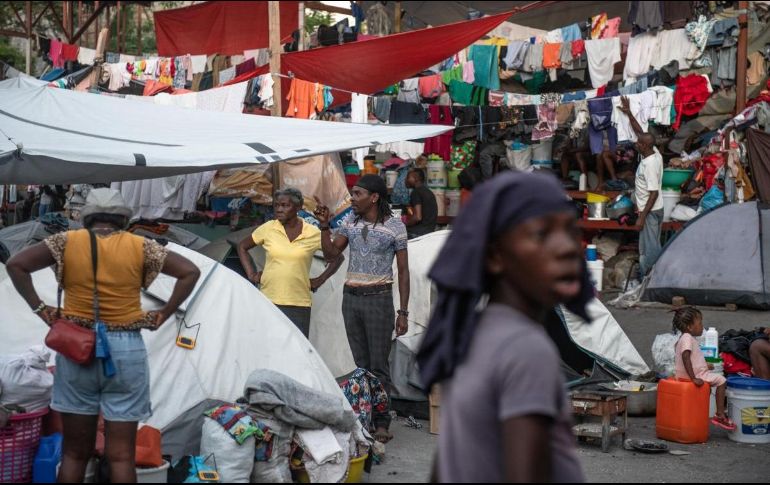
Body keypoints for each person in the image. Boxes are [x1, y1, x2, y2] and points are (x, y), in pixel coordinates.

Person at [5, 188, 200, 483]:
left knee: (74, 454)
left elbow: (16, 265)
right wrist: (164, 313)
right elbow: (190, 272)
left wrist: (41, 309)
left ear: (87, 216)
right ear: (123, 218)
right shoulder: (141, 246)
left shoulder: (64, 241)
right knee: (121, 456)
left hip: (77, 346)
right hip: (126, 348)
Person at [418, 172, 590, 483]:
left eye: (569, 229)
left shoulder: (472, 333)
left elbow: (447, 461)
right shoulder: (527, 348)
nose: (566, 247)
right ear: (495, 256)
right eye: (541, 233)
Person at [314, 175, 410, 444]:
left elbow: (403, 271)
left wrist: (403, 312)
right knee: (360, 365)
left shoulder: (395, 227)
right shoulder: (350, 222)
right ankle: (364, 416)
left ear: (374, 197)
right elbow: (331, 254)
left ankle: (382, 421)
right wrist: (324, 226)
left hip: (379, 299)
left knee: (378, 365)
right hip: (351, 298)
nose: (352, 199)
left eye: (357, 194)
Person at [237, 188, 343, 338]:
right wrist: (251, 274)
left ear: (298, 207)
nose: (279, 209)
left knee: (296, 348)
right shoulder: (269, 228)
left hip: (298, 303)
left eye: (285, 205)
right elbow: (242, 246)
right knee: (269, 345)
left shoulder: (312, 232)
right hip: (268, 300)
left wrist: (320, 279)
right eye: (276, 205)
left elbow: (337, 257)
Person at [618, 96, 664, 277]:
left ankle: (649, 281)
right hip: (654, 209)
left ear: (644, 146)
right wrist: (629, 112)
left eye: (638, 143)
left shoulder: (650, 164)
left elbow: (654, 193)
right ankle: (653, 278)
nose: (635, 143)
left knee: (648, 250)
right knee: (652, 245)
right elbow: (640, 132)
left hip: (650, 212)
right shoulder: (654, 152)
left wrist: (641, 218)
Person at [672, 307, 737, 431]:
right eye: (700, 323)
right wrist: (693, 378)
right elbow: (685, 357)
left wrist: (705, 365)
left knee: (709, 386)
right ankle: (720, 414)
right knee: (721, 380)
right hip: (693, 375)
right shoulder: (687, 338)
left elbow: (692, 359)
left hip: (687, 374)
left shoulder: (684, 338)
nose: (702, 326)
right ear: (690, 327)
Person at [404, 168, 438, 239]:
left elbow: (417, 217)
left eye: (408, 177)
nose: (406, 180)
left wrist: (404, 224)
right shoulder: (428, 192)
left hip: (418, 233)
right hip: (429, 232)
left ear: (416, 179)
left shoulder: (416, 192)